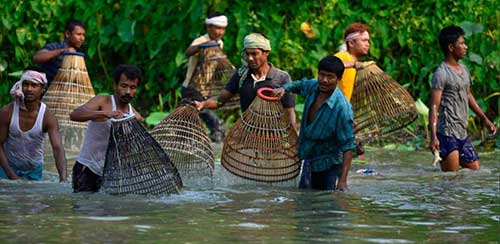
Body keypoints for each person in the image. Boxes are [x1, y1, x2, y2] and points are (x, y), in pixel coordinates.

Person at [272, 56, 354, 191]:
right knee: (306, 200)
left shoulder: (342, 108)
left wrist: (343, 181)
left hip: (329, 165)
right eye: (321, 75)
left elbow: (348, 147)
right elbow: (299, 85)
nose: (324, 80)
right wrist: (284, 89)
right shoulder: (314, 86)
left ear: (338, 79)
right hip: (309, 158)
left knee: (323, 204)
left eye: (330, 77)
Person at [429, 25, 497, 172]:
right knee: (452, 180)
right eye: (462, 43)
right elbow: (434, 106)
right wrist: (433, 136)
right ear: (451, 47)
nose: (465, 47)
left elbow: (468, 95)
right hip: (447, 133)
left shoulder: (464, 70)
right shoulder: (441, 73)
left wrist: (484, 118)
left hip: (462, 133)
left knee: (475, 170)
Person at [196, 32, 297, 131]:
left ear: (266, 52)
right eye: (247, 54)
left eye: (254, 54)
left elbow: (289, 111)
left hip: (273, 137)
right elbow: (220, 101)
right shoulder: (241, 76)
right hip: (248, 136)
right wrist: (203, 104)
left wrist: (293, 139)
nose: (250, 58)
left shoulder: (281, 78)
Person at [70, 65, 143, 192]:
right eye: (124, 86)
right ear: (115, 86)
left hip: (111, 174)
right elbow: (75, 114)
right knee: (84, 208)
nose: (128, 92)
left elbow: (128, 148)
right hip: (87, 169)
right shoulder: (102, 101)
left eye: (132, 87)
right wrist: (105, 114)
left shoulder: (135, 116)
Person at [0, 68, 67, 181]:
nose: (29, 89)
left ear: (42, 89)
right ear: (21, 86)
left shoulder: (48, 117)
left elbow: (57, 148)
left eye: (34, 85)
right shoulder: (8, 112)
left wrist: (63, 179)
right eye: (26, 84)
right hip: (7, 167)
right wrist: (10, 173)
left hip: (34, 169)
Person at [182, 13, 228, 142]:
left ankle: (214, 141)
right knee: (207, 116)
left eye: (223, 28)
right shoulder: (201, 40)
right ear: (208, 27)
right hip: (192, 87)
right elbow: (188, 52)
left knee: (201, 117)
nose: (220, 32)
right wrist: (204, 45)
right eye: (217, 28)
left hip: (205, 89)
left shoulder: (220, 43)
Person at [334, 22, 371, 158]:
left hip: (345, 118)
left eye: (368, 41)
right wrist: (353, 64)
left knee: (355, 155)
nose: (368, 44)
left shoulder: (353, 63)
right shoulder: (343, 57)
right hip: (335, 117)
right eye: (364, 40)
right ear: (351, 43)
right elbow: (330, 65)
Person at [32, 19, 86, 87]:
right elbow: (36, 58)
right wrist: (63, 51)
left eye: (83, 35)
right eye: (79, 34)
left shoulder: (79, 54)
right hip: (48, 90)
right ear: (67, 34)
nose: (82, 38)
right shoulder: (55, 47)